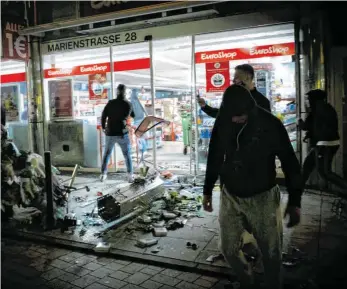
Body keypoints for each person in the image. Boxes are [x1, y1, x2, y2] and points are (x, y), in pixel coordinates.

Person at [203, 84, 302, 289]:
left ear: (250, 109)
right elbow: (214, 156)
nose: (235, 120)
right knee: (228, 248)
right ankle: (247, 279)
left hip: (263, 196)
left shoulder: (270, 124)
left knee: (271, 252)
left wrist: (295, 201)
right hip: (230, 194)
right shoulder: (223, 120)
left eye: (239, 116)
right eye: (231, 116)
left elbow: (290, 163)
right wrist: (207, 190)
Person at [299, 89, 347, 191]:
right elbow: (318, 127)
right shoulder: (326, 108)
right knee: (308, 165)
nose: (307, 101)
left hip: (324, 144)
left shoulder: (318, 109)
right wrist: (309, 134)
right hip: (326, 143)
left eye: (308, 99)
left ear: (314, 99)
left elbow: (309, 126)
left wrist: (301, 123)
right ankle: (297, 190)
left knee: (325, 173)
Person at [198, 64, 271, 117]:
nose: (233, 81)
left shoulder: (262, 101)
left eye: (237, 77)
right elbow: (221, 114)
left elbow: (265, 128)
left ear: (247, 77)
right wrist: (204, 106)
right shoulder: (233, 98)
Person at [100, 84, 135, 183]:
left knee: (107, 154)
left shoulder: (110, 103)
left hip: (110, 133)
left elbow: (103, 116)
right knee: (127, 155)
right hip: (122, 133)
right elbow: (132, 115)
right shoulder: (128, 104)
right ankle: (130, 176)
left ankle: (103, 174)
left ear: (117, 92)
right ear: (125, 92)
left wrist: (103, 127)